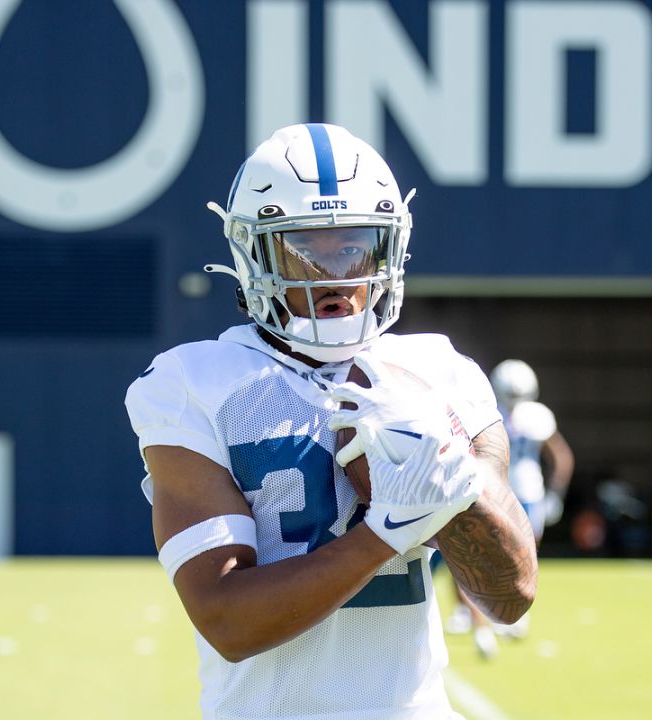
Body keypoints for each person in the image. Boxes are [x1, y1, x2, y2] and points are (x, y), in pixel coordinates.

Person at [124, 123, 538, 719]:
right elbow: (227, 620)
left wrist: (451, 475)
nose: (337, 274)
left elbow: (510, 596)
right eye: (304, 249)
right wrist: (385, 535)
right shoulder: (193, 384)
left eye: (356, 246)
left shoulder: (439, 375)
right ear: (252, 253)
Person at [445, 359, 573, 642]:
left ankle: (513, 612)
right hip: (495, 489)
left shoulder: (538, 416)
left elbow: (560, 457)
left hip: (528, 492)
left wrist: (555, 494)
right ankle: (471, 610)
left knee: (522, 556)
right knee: (476, 550)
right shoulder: (486, 412)